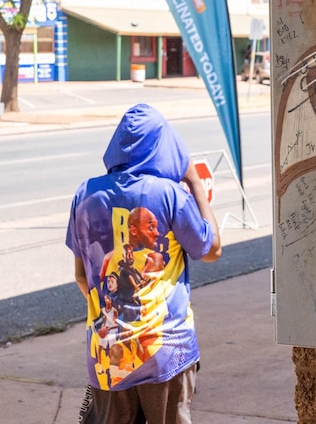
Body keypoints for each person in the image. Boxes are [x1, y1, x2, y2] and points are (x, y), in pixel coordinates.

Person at [67, 103, 221, 424]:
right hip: (165, 348)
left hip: (107, 350)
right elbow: (212, 249)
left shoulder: (85, 193)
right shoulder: (170, 195)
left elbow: (82, 277)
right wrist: (194, 183)